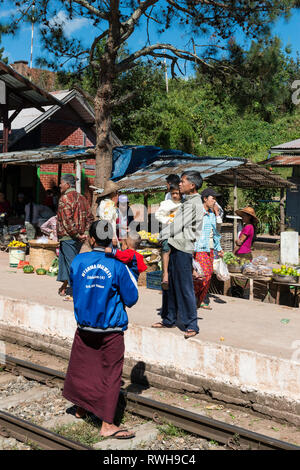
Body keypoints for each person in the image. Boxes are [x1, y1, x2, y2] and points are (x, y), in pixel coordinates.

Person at [62, 220, 138, 439]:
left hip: (85, 327)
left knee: (84, 367)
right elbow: (132, 298)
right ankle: (107, 424)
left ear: (91, 239)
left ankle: (81, 407)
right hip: (110, 329)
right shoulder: (116, 264)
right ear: (111, 239)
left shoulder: (78, 261)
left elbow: (74, 288)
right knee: (111, 374)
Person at [152, 171, 204, 339]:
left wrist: (161, 236)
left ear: (192, 185)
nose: (179, 184)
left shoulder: (193, 203)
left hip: (183, 247)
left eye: (182, 182)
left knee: (184, 286)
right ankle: (168, 319)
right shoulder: (187, 201)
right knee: (170, 285)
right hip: (175, 245)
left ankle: (191, 324)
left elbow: (179, 224)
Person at [57, 174, 94, 297]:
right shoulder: (83, 198)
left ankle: (77, 292)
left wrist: (77, 235)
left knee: (72, 264)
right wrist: (86, 233)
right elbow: (90, 218)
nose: (59, 185)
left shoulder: (65, 198)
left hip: (69, 237)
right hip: (78, 237)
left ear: (67, 184)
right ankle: (64, 287)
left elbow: (66, 221)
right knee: (65, 263)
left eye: (61, 183)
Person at [193, 188, 224, 310]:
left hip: (210, 249)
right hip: (199, 249)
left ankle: (199, 300)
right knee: (202, 275)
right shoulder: (197, 213)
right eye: (213, 198)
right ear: (205, 199)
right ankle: (193, 299)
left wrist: (219, 248)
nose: (214, 201)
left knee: (209, 275)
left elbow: (215, 233)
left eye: (215, 199)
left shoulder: (211, 214)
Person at [155, 182, 182, 289]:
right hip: (168, 231)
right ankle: (165, 274)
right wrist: (167, 220)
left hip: (180, 233)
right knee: (166, 248)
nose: (175, 195)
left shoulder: (184, 204)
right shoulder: (166, 204)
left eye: (177, 193)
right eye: (173, 193)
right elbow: (158, 215)